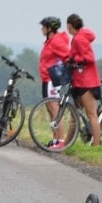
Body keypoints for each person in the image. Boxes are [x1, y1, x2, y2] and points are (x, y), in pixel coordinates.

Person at [66, 14, 102, 146]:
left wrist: (74, 60)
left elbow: (89, 58)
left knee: (91, 114)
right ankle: (66, 143)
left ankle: (97, 145)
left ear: (70, 25)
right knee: (74, 113)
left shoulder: (79, 38)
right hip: (80, 80)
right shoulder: (80, 37)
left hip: (87, 81)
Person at [38, 16, 70, 150]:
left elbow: (67, 55)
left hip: (53, 80)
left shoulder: (56, 41)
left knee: (56, 110)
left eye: (44, 26)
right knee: (50, 110)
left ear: (50, 28)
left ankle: (60, 141)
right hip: (46, 79)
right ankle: (55, 139)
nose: (41, 29)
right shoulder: (50, 40)